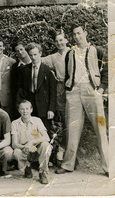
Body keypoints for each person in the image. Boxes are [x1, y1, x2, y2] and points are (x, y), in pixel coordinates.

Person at [55, 24, 109, 176]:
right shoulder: (70, 53)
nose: (77, 36)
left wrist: (101, 89)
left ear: (85, 33)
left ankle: (108, 167)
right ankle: (68, 164)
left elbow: (106, 72)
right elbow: (68, 74)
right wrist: (69, 89)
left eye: (79, 33)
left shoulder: (97, 50)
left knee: (100, 129)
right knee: (72, 129)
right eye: (74, 34)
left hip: (92, 90)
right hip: (74, 93)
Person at [42, 30, 70, 163]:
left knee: (73, 121)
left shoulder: (74, 53)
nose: (59, 43)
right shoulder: (53, 57)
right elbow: (37, 59)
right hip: (60, 89)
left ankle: (70, 154)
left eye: (61, 40)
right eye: (57, 41)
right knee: (61, 122)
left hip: (74, 88)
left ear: (66, 40)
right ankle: (59, 153)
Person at [16, 43, 56, 132]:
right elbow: (20, 90)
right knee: (31, 132)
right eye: (30, 55)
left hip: (44, 108)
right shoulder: (24, 70)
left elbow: (53, 92)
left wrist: (51, 109)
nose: (33, 57)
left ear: (40, 54)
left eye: (35, 54)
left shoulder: (48, 70)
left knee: (44, 132)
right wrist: (20, 105)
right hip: (30, 108)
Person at [11, 99, 51, 184]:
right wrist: (26, 147)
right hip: (24, 151)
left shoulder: (37, 121)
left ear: (31, 110)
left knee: (46, 146)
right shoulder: (14, 123)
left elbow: (47, 137)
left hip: (36, 149)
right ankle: (27, 167)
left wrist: (31, 142)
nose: (25, 111)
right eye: (22, 109)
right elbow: (14, 144)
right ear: (18, 110)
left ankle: (42, 172)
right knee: (16, 152)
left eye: (27, 109)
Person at [10, 42, 32, 120]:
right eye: (17, 51)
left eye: (21, 49)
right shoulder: (15, 67)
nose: (20, 52)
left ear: (26, 50)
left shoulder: (35, 64)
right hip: (20, 100)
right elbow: (13, 87)